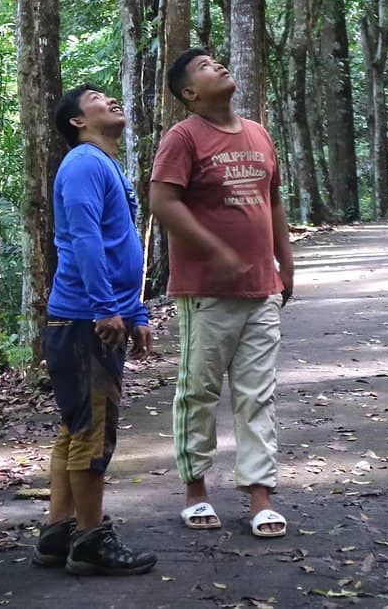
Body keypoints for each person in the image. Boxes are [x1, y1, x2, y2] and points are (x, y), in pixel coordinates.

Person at [149, 48, 294, 539]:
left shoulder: (257, 133)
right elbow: (162, 202)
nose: (220, 66)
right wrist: (213, 250)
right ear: (190, 93)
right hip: (206, 293)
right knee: (199, 392)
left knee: (258, 395)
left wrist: (286, 262)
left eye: (218, 61)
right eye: (205, 67)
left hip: (260, 290)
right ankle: (195, 490)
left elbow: (271, 200)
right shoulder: (183, 137)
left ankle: (260, 496)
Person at [32, 85, 157, 577]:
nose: (110, 100)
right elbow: (83, 238)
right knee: (93, 430)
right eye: (97, 98)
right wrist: (107, 307)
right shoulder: (84, 162)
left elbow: (116, 245)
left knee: (76, 423)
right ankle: (90, 538)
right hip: (87, 319)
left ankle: (58, 529)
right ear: (78, 121)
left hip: (92, 315)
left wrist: (137, 310)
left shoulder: (104, 164)